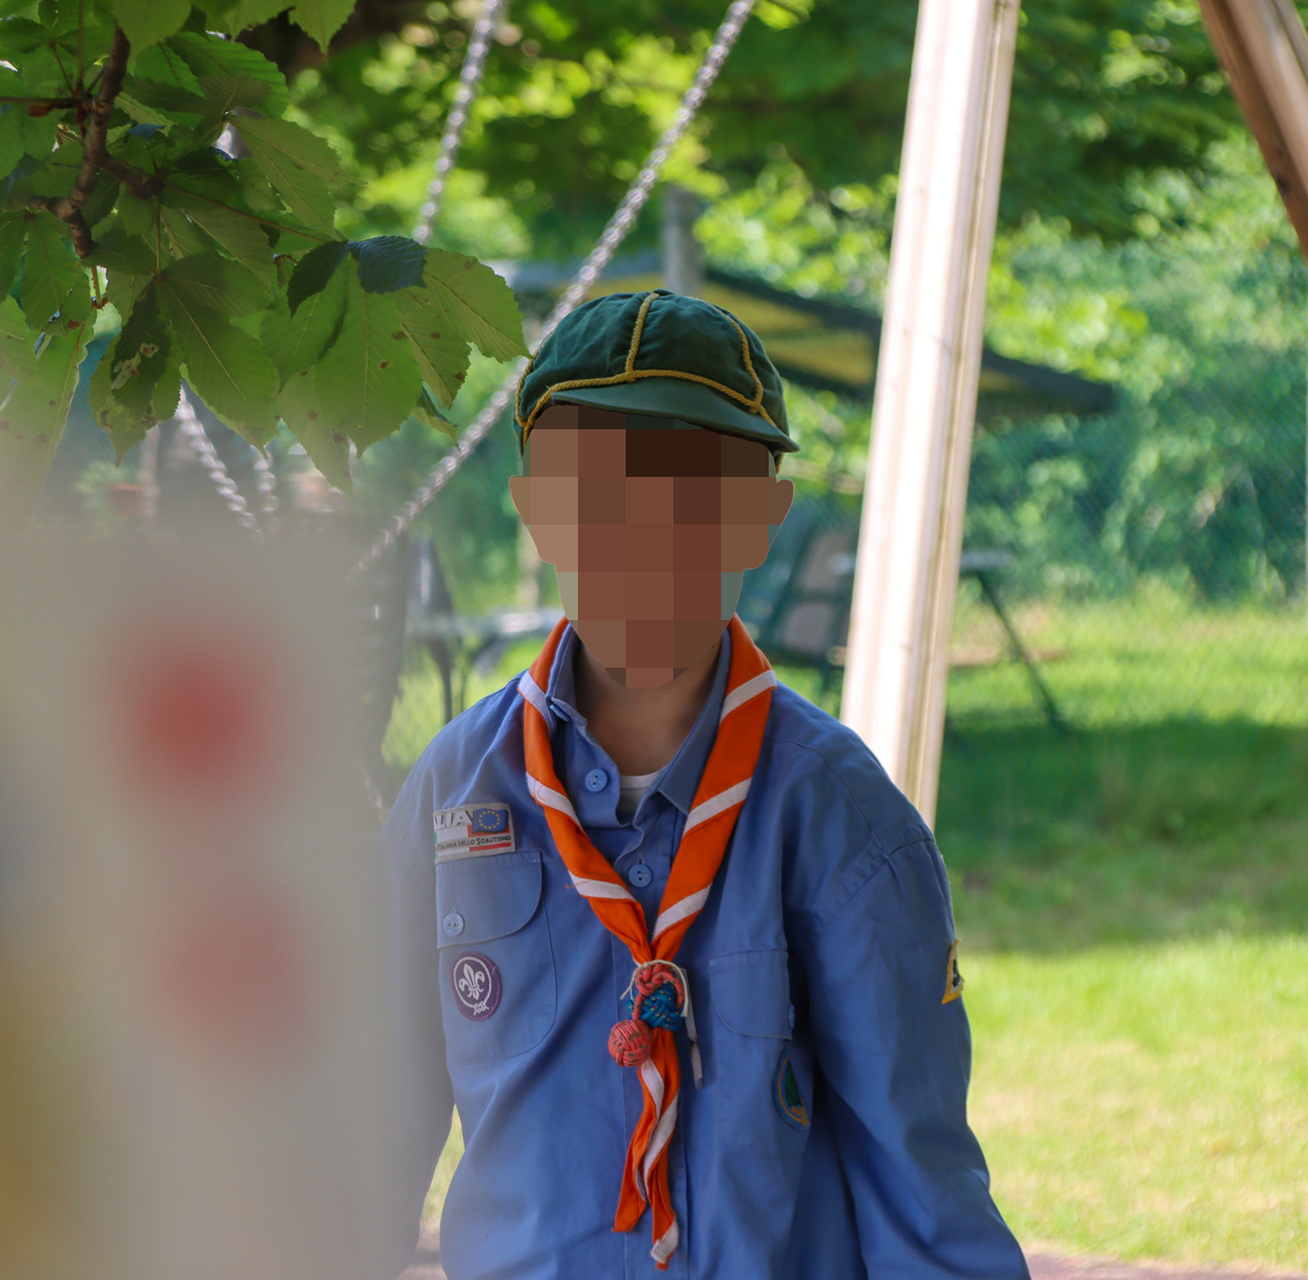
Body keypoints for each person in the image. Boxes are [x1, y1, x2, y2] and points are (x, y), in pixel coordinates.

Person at [379, 290, 1028, 1279]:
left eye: (692, 500)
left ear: (760, 521)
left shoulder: (842, 816)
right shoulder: (454, 794)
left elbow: (921, 1190)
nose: (643, 539)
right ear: (538, 514)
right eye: (598, 498)